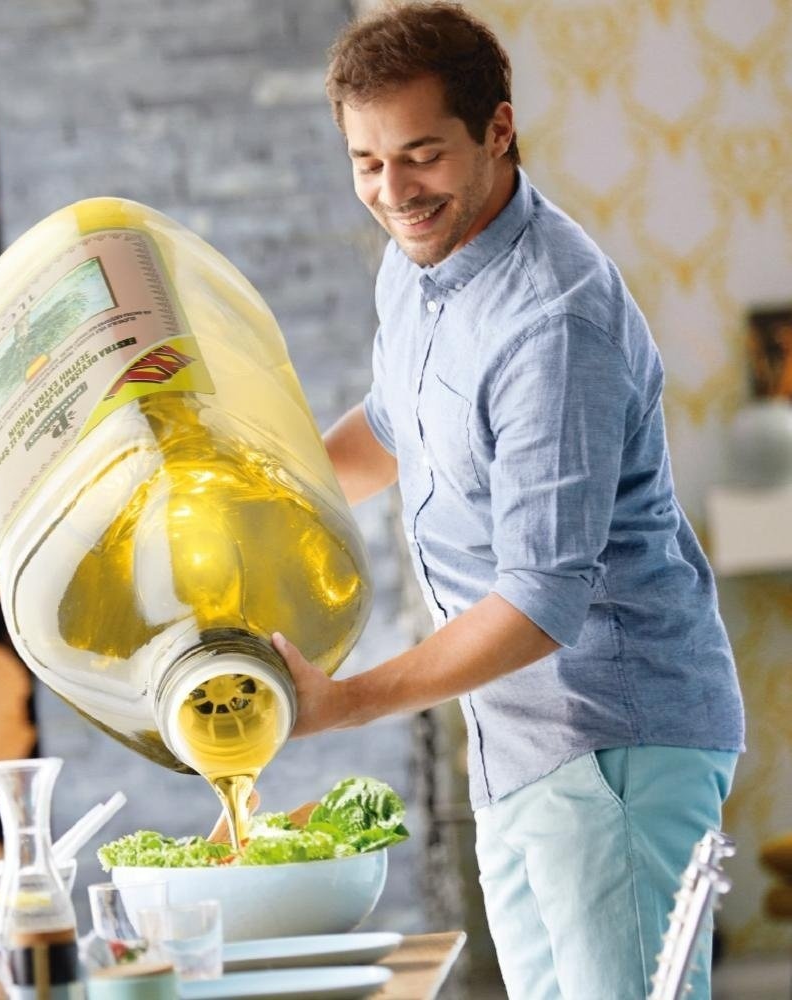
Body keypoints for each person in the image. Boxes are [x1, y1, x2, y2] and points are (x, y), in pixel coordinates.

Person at [269, 3, 745, 999]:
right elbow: (397, 426)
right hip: (516, 742)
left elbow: (538, 605)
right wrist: (259, 497)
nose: (393, 191)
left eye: (421, 155)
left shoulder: (552, 320)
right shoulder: (418, 268)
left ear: (496, 129)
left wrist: (339, 703)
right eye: (366, 162)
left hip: (612, 739)